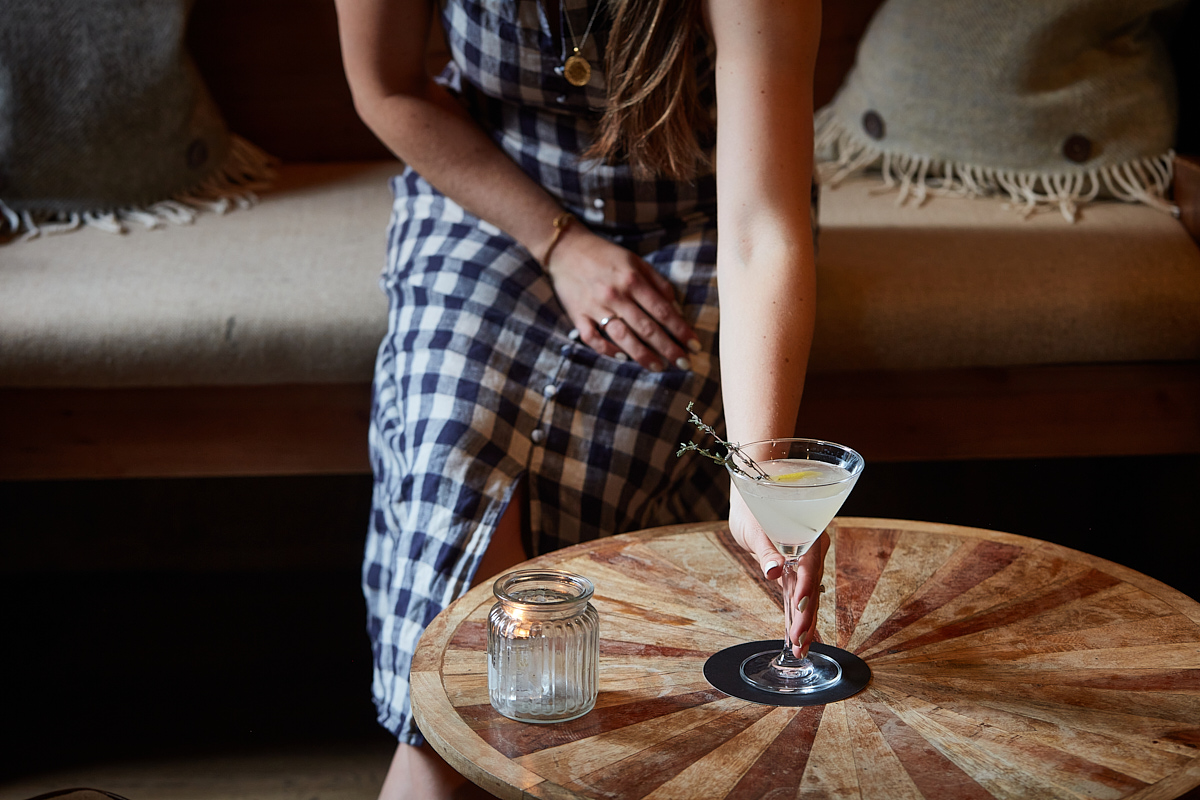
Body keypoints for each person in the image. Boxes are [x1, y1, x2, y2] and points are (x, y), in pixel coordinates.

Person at [334, 0, 823, 796]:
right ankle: (438, 755)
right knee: (453, 443)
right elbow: (388, 89)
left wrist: (756, 471)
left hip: (701, 218)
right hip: (493, 191)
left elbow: (761, 227)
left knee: (614, 447)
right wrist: (555, 239)